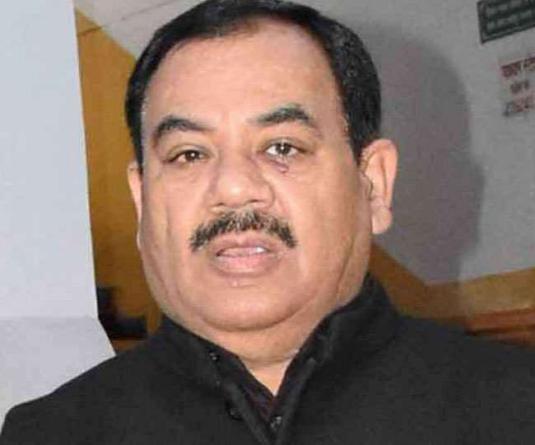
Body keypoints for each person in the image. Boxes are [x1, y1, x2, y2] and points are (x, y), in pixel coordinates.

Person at [2, 0, 535, 443]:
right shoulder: (50, 433)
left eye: (282, 147)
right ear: (143, 202)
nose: (233, 188)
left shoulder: (514, 408)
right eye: (189, 154)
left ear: (373, 184)